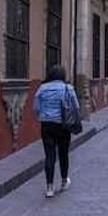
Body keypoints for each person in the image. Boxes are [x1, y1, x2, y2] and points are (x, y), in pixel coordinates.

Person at [33, 64, 81, 199]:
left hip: (47, 125)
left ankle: (49, 187)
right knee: (63, 153)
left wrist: (43, 116)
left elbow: (36, 107)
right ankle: (64, 180)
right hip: (63, 124)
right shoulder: (68, 88)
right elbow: (76, 106)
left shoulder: (42, 88)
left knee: (49, 155)